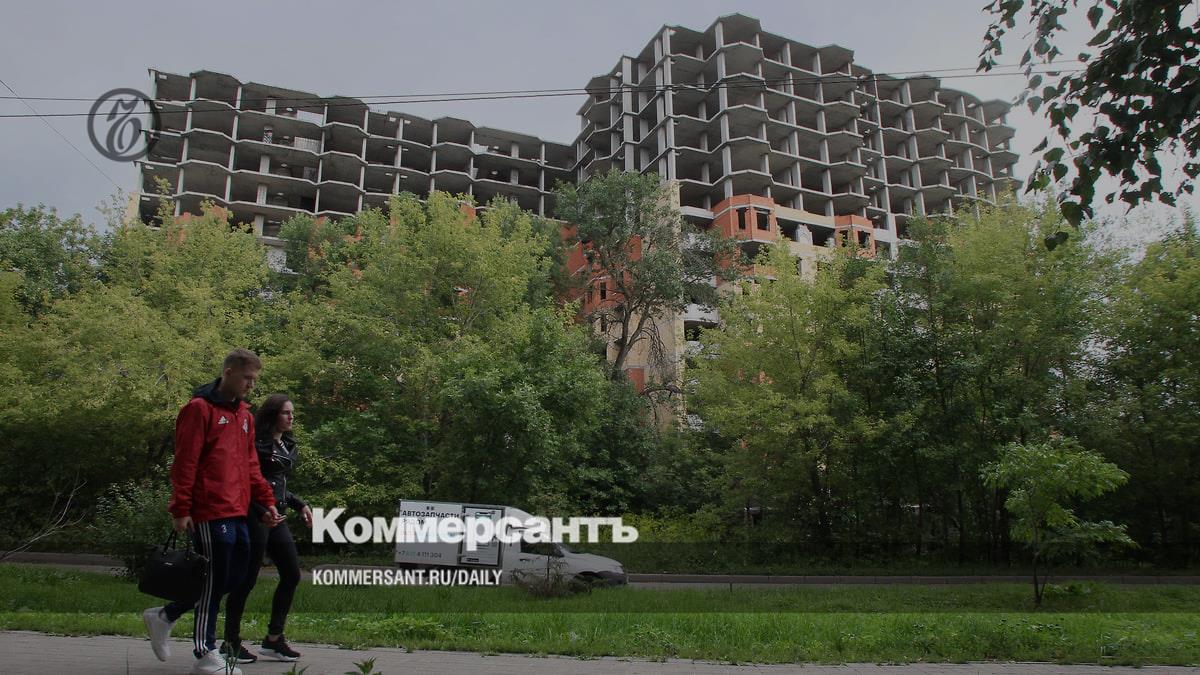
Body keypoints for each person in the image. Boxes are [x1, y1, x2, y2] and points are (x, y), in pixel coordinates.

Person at [142, 348, 282, 675]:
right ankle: (205, 651)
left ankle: (165, 616)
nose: (251, 385)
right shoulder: (199, 409)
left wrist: (266, 502)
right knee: (214, 577)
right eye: (247, 378)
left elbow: (250, 465)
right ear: (228, 372)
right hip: (209, 509)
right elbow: (185, 461)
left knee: (236, 576)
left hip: (238, 508)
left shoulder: (244, 416)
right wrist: (181, 507)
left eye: (254, 380)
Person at [221, 393, 311, 663]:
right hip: (255, 517)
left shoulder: (287, 444)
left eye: (292, 412)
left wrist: (299, 504)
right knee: (245, 580)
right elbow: (248, 483)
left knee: (292, 574)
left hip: (277, 515)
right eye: (285, 412)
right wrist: (261, 511)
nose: (291, 417)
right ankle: (230, 642)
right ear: (272, 415)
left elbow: (277, 483)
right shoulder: (256, 443)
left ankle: (273, 639)